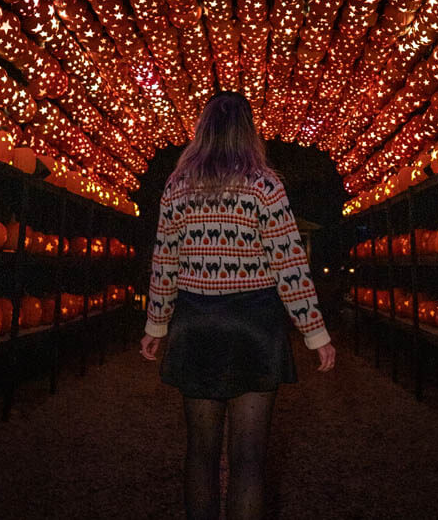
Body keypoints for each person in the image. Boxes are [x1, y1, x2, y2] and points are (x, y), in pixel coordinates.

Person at [140, 91, 335, 520]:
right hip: (253, 326)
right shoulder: (266, 185)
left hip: (196, 324)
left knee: (201, 453)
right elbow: (289, 262)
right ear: (250, 132)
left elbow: (165, 260)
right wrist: (315, 333)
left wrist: (156, 326)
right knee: (248, 461)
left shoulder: (177, 185)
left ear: (201, 130)